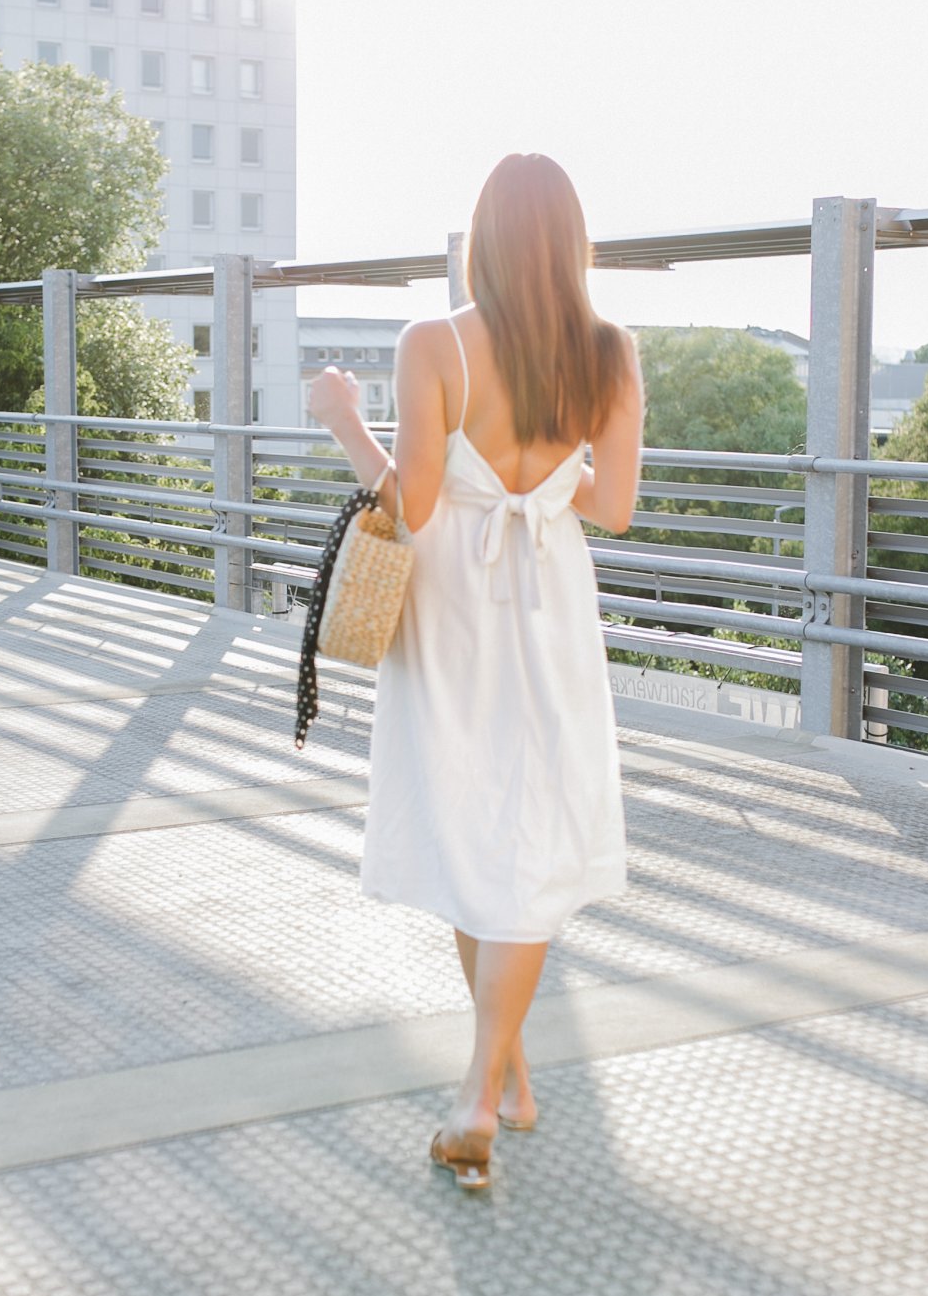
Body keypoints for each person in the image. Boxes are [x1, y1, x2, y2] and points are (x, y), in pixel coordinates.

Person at [307, 153, 645, 1191]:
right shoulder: (610, 351)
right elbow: (615, 506)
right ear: (574, 241)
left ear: (483, 237)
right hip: (547, 604)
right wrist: (551, 482)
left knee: (467, 820)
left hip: (451, 612)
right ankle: (511, 1077)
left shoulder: (434, 342)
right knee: (524, 837)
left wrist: (343, 422)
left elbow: (408, 506)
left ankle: (476, 1094)